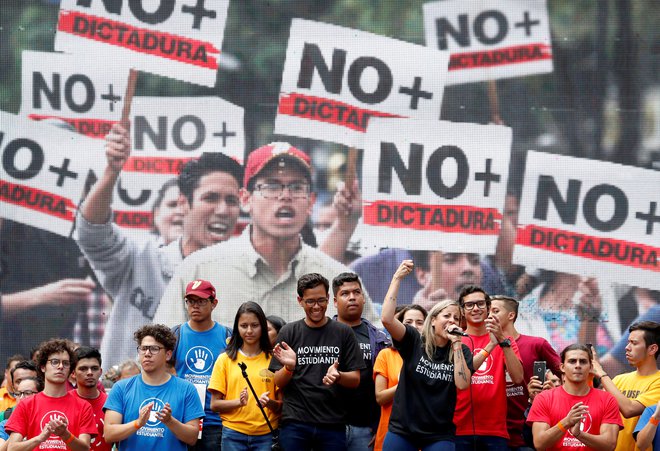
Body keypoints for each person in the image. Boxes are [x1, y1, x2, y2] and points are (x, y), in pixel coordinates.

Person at [76, 123, 244, 370]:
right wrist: (112, 171)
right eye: (210, 198)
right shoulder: (141, 259)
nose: (223, 210)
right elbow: (92, 232)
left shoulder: (242, 279)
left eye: (231, 201)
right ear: (184, 204)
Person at [157, 142, 379, 326]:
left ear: (311, 202)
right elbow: (160, 358)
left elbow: (381, 359)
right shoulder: (198, 271)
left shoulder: (339, 280)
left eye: (297, 187)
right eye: (271, 186)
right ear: (246, 199)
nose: (285, 196)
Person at [380, 260, 473, 450]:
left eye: (456, 318)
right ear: (433, 321)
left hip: (439, 434)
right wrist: (397, 279)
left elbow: (462, 384)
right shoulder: (415, 340)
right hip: (402, 430)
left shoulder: (461, 350)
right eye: (446, 316)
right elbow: (387, 319)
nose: (452, 321)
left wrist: (456, 343)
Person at [268, 273, 364, 450]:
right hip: (295, 422)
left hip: (333, 423)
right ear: (300, 300)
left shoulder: (343, 332)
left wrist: (338, 376)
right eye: (310, 301)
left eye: (321, 300)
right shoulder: (289, 332)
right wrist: (289, 367)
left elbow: (355, 379)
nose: (317, 306)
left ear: (328, 298)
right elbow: (278, 382)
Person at [104, 324, 205, 450]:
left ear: (168, 355)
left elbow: (192, 438)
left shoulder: (187, 389)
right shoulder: (121, 388)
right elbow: (109, 434)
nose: (147, 353)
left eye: (154, 349)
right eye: (143, 348)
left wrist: (170, 421)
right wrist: (138, 423)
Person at [454, 285, 524, 450]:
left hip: (495, 431)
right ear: (462, 311)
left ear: (488, 308)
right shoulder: (455, 340)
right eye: (469, 305)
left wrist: (501, 340)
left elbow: (518, 378)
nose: (476, 308)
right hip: (458, 428)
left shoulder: (506, 340)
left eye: (480, 304)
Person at [489, 294, 562, 450]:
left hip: (528, 430)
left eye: (495, 311)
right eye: (488, 312)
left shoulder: (536, 344)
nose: (490, 316)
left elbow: (566, 374)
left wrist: (553, 393)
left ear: (511, 315)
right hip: (493, 433)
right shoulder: (485, 348)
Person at [208, 302, 281, 450]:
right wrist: (239, 402)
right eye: (244, 326)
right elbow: (214, 405)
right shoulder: (225, 360)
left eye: (254, 325)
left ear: (262, 327)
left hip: (266, 435)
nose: (249, 331)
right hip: (233, 434)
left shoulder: (274, 359)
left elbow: (282, 406)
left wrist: (269, 403)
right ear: (237, 328)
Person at [332, 272, 390, 450]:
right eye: (345, 294)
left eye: (356, 292)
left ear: (364, 298)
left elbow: (387, 385)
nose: (352, 298)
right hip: (328, 426)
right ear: (335, 301)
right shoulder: (323, 334)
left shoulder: (380, 339)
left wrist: (380, 425)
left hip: (366, 428)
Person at [5, 339, 96, 450]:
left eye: (66, 363)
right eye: (54, 362)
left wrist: (65, 435)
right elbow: (12, 448)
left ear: (70, 370)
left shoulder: (83, 406)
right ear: (43, 367)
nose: (60, 366)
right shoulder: (26, 405)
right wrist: (40, 438)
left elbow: (85, 448)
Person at [172, 280, 232, 451]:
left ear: (214, 303)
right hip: (182, 417)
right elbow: (166, 370)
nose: (195, 306)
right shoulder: (176, 334)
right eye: (190, 301)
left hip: (215, 420)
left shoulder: (228, 336)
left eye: (201, 301)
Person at [527, 344, 622, 450]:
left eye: (583, 361)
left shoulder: (607, 399)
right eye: (572, 361)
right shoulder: (544, 398)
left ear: (591, 367)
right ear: (562, 367)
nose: (578, 365)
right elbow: (539, 444)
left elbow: (610, 445)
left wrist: (579, 434)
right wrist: (566, 422)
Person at [591, 321, 660, 451]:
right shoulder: (618, 380)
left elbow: (629, 410)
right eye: (628, 342)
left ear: (652, 349)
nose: (627, 347)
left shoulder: (658, 381)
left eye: (634, 343)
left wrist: (600, 372)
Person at [373, 305, 427, 451]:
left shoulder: (433, 356)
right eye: (408, 322)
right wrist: (404, 383)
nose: (414, 326)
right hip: (392, 433)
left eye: (420, 322)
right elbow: (380, 398)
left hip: (424, 435)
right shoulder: (386, 355)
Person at [72, 347, 111, 451]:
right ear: (73, 373)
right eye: (83, 369)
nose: (89, 372)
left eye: (94, 368)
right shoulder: (63, 401)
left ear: (100, 371)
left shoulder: (111, 403)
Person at [0, 377, 43, 450]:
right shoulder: (5, 424)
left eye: (27, 393)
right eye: (18, 394)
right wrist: (17, 431)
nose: (21, 397)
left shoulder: (46, 421)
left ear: (41, 395)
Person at [151, 178, 184, 246]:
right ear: (156, 214)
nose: (180, 211)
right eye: (172, 205)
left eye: (187, 206)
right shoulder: (141, 254)